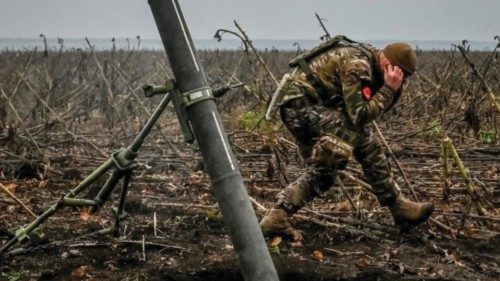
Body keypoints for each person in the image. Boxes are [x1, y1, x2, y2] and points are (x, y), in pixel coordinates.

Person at [260, 35, 434, 240]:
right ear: (388, 63)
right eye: (399, 73)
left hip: (312, 106)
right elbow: (359, 114)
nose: (400, 78)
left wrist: (390, 89)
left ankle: (277, 217)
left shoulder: (372, 61)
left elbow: (366, 109)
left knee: (325, 172)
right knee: (363, 136)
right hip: (299, 107)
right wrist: (388, 89)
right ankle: (398, 206)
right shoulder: (358, 65)